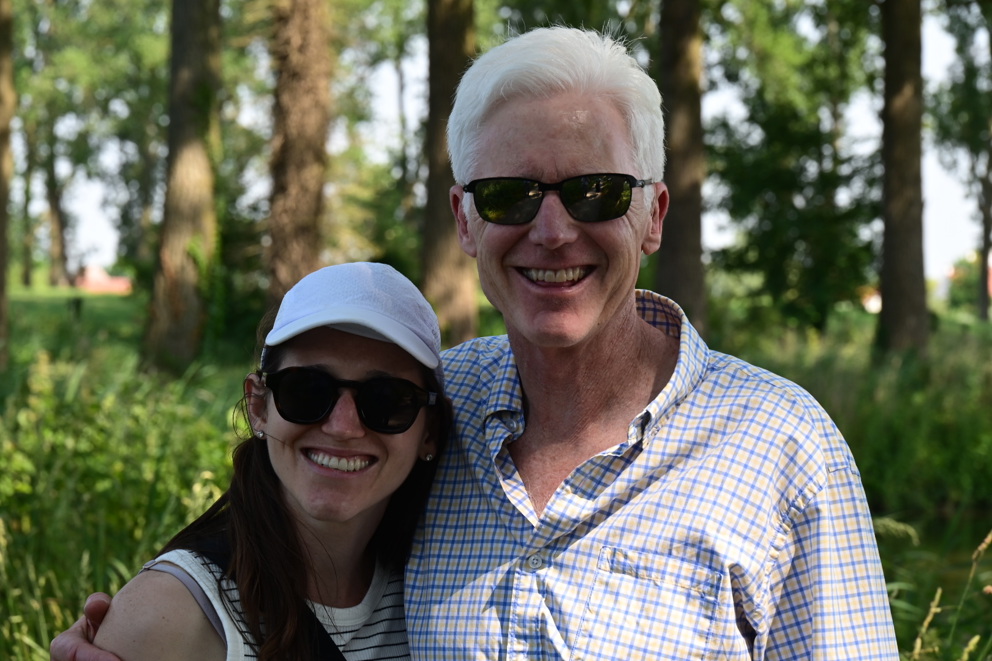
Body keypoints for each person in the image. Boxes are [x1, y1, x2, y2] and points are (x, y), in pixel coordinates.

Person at [53, 26, 898, 660]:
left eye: (596, 192)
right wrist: (141, 626)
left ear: (653, 215)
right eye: (508, 195)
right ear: (464, 219)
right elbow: (279, 526)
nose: (552, 230)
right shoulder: (423, 405)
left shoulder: (782, 445)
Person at [57, 262, 450, 661]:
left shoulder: (449, 602)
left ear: (429, 432)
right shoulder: (171, 617)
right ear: (259, 407)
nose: (343, 427)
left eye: (387, 399)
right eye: (306, 390)